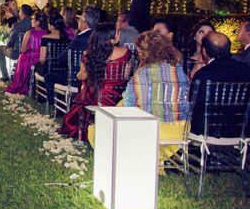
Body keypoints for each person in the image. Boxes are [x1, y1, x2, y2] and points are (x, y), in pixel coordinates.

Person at [120, 30, 190, 168]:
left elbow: (129, 108)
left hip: (147, 133)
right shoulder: (179, 71)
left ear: (144, 53)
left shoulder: (141, 75)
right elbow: (185, 104)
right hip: (177, 131)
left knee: (122, 103)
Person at [60, 23, 131, 140]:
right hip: (119, 97)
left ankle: (87, 128)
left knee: (84, 93)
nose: (119, 34)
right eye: (117, 32)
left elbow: (82, 76)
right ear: (111, 38)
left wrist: (78, 75)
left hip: (97, 96)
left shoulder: (89, 54)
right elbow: (126, 75)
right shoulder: (125, 52)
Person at [190, 32, 250, 137]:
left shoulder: (204, 74)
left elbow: (194, 106)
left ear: (204, 51)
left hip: (208, 133)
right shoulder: (246, 70)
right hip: (242, 132)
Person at [43, 5, 100, 105]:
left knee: (49, 77)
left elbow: (62, 58)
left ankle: (56, 106)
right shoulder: (99, 36)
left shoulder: (80, 38)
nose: (77, 21)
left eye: (79, 19)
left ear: (84, 23)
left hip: (76, 78)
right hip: (96, 78)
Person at [5, 11, 50, 94]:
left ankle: (20, 82)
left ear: (37, 22)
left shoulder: (30, 33)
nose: (31, 20)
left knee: (23, 55)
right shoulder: (48, 33)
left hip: (31, 60)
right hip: (43, 59)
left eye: (33, 19)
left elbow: (22, 49)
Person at [0, 4, 33, 82]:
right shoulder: (34, 24)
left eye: (20, 11)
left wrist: (7, 46)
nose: (19, 13)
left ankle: (5, 76)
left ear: (22, 13)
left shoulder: (17, 25)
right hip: (30, 53)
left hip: (16, 53)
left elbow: (11, 41)